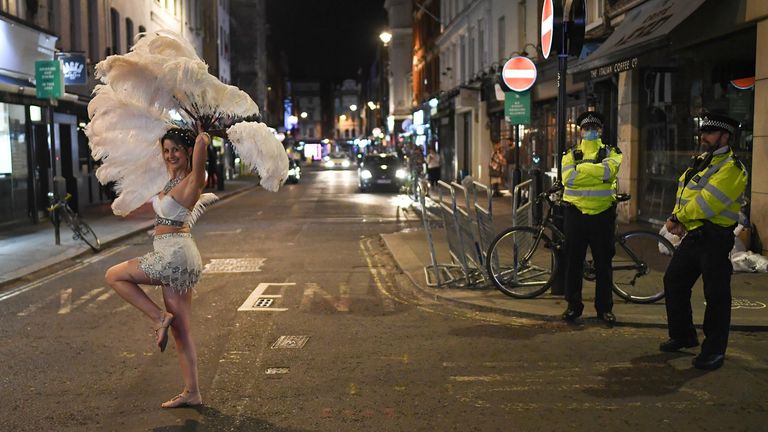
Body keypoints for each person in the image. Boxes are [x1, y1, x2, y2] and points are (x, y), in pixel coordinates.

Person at [105, 126, 212, 408]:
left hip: (173, 255)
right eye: (166, 150)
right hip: (177, 252)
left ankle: (157, 318)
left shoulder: (193, 180)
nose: (170, 155)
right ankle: (192, 392)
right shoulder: (170, 181)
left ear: (188, 151)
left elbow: (200, 150)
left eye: (176, 149)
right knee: (182, 331)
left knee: (115, 275)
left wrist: (202, 135)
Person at [659, 112, 748, 371]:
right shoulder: (702, 162)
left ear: (725, 136)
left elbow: (708, 202)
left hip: (715, 238)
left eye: (709, 133)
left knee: (716, 294)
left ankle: (714, 350)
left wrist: (678, 217)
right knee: (673, 281)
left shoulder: (732, 168)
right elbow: (686, 194)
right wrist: (680, 221)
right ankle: (684, 335)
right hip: (694, 235)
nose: (704, 137)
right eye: (703, 132)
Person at [560, 111, 623, 324]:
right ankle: (573, 306)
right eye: (587, 128)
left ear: (601, 130)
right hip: (576, 214)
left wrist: (582, 170)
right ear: (580, 131)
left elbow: (609, 173)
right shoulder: (570, 154)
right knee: (573, 263)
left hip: (602, 215)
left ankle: (604, 308)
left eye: (595, 128)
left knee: (603, 264)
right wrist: (596, 173)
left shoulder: (611, 152)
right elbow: (568, 179)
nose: (591, 132)